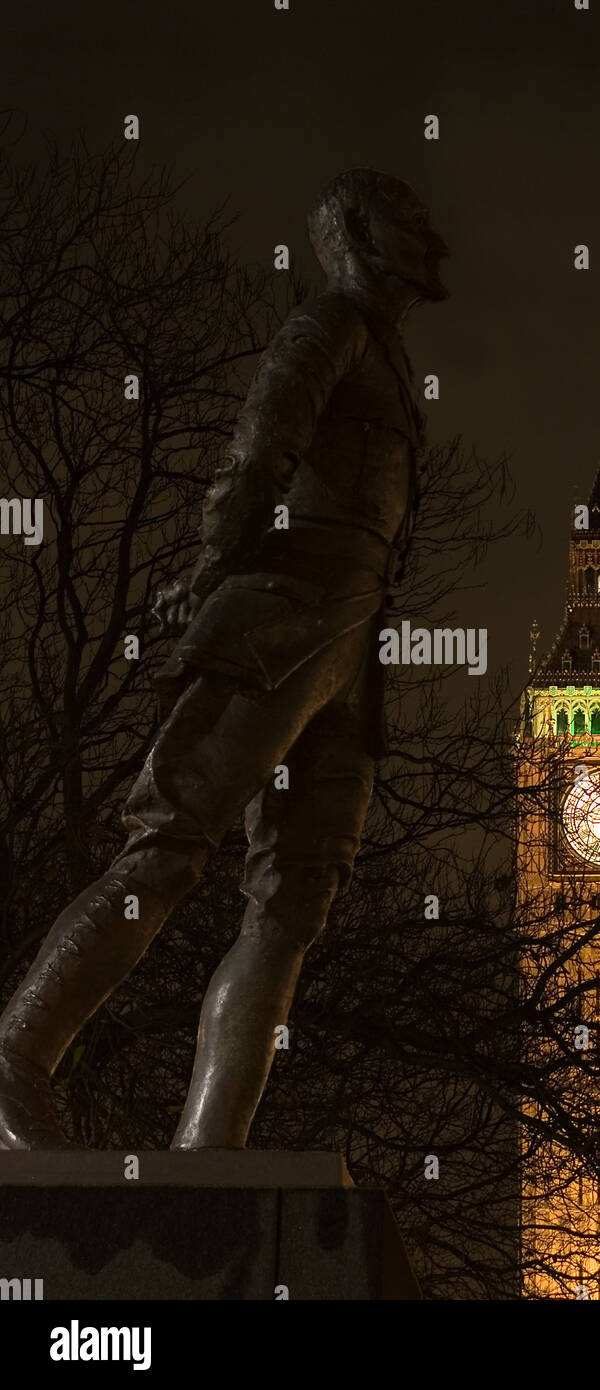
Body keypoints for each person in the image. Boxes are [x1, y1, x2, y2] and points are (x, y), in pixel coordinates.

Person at [0, 168, 449, 1150]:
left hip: (347, 641)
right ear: (367, 237)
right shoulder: (325, 328)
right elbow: (258, 454)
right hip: (279, 618)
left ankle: (208, 1155)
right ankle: (16, 1056)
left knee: (292, 904)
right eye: (415, 228)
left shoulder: (385, 356)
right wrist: (212, 576)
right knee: (169, 844)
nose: (436, 248)